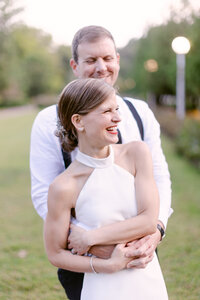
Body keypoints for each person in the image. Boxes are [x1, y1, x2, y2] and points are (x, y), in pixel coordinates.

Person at [30, 25, 172, 299]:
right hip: (83, 257)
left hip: (141, 250)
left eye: (107, 58)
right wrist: (92, 244)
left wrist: (156, 231)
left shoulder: (139, 113)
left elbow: (160, 177)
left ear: (117, 60)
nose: (101, 67)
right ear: (75, 65)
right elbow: (43, 193)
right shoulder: (47, 121)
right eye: (91, 60)